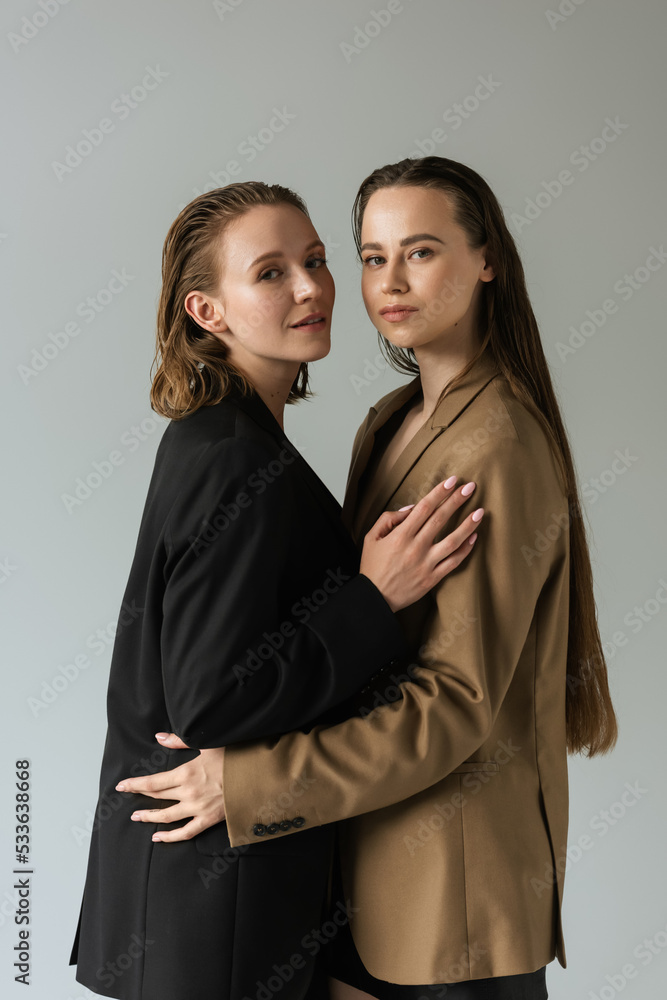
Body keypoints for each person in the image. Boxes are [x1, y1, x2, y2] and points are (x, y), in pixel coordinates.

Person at [121, 157, 618, 999]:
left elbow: (452, 704)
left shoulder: (495, 443)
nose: (387, 282)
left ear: (486, 258)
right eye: (370, 255)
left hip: (447, 904)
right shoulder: (387, 423)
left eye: (420, 252)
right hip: (358, 873)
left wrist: (245, 784)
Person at [69, 179, 483, 1000]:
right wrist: (372, 598)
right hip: (216, 918)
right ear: (206, 312)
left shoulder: (226, 439)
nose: (311, 288)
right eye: (270, 273)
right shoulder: (232, 458)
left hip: (212, 906)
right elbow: (209, 701)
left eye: (317, 261)